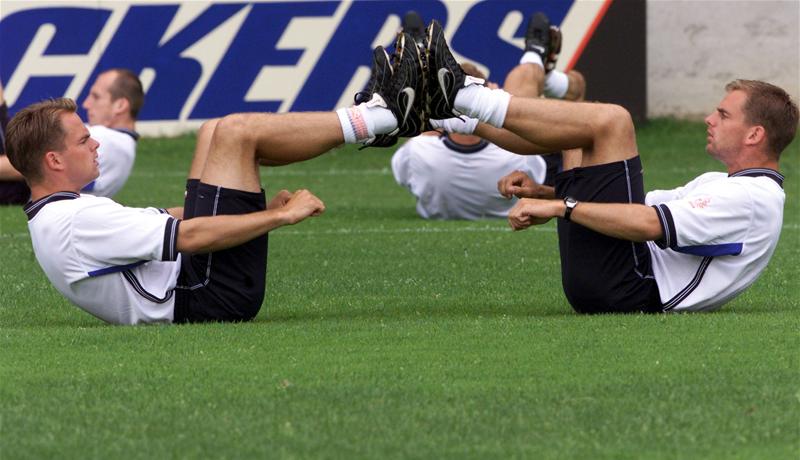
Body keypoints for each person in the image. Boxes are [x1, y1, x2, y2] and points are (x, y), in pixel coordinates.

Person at [4, 28, 435, 325]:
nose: (96, 143)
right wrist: (278, 219)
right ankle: (381, 116)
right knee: (236, 133)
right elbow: (189, 236)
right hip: (209, 293)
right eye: (83, 141)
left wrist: (259, 207)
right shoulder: (74, 221)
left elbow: (171, 217)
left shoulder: (63, 212)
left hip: (198, 281)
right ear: (54, 161)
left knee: (215, 132)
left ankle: (382, 117)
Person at [412, 19, 798, 313]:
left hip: (631, 287)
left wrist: (563, 206)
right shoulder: (729, 184)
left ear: (754, 135)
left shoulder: (753, 198)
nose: (709, 120)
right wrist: (547, 192)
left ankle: (460, 98)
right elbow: (637, 207)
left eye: (723, 115)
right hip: (615, 279)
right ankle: (443, 113)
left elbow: (647, 223)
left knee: (612, 121)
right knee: (577, 128)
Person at [390, 12, 586, 220]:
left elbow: (420, 132)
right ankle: (536, 59)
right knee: (542, 85)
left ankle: (425, 67)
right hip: (522, 166)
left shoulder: (417, 152)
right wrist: (497, 100)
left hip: (447, 163)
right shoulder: (515, 154)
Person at [0, 69, 143, 204]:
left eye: (96, 97)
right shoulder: (120, 144)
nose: (86, 104)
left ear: (120, 105)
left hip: (21, 189)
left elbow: (28, 162)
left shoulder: (108, 139)